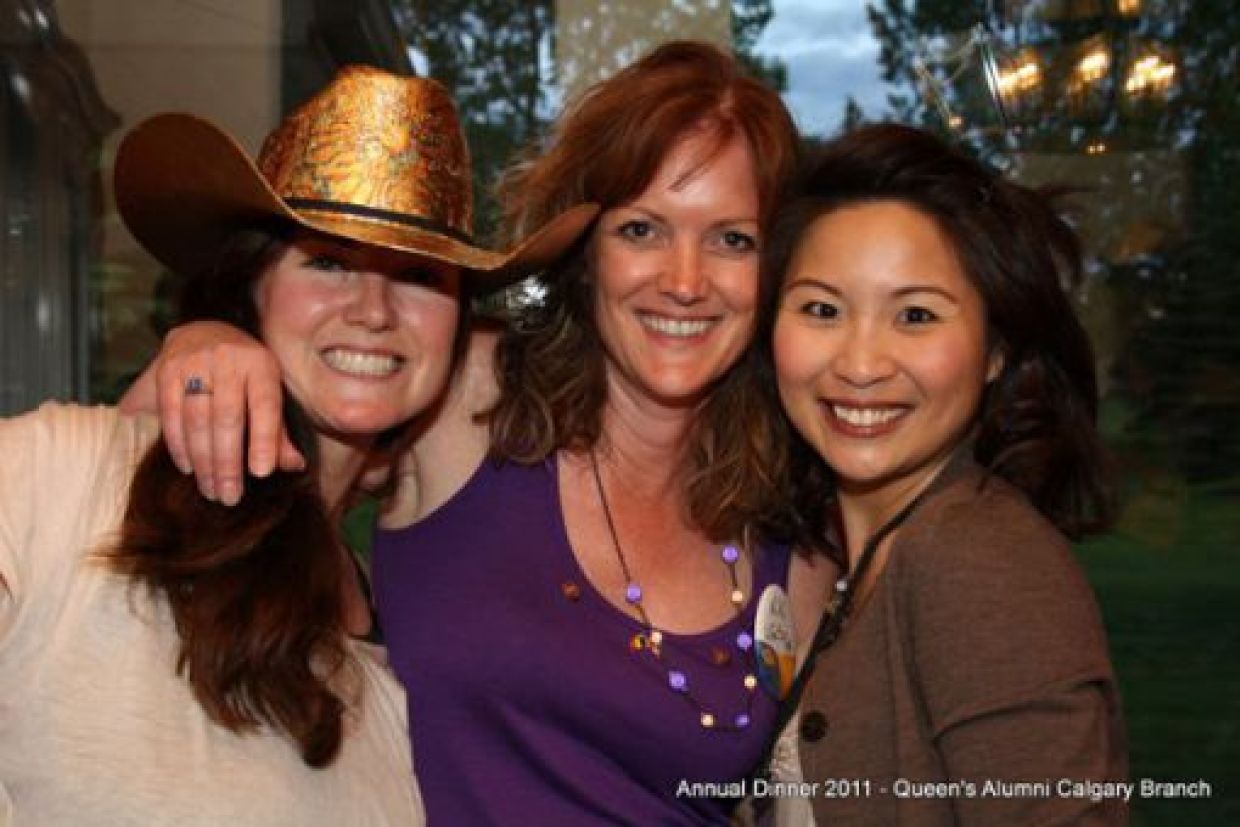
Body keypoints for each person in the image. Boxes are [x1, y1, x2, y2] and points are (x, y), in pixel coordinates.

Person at [121, 41, 828, 824]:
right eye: (642, 230)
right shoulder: (474, 392)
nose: (686, 280)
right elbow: (336, 347)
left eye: (733, 238)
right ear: (586, 251)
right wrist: (213, 339)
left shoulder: (796, 529)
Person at [0, 66, 592, 825]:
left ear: (457, 326)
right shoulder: (75, 473)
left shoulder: (392, 669)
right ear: (254, 287)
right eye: (329, 261)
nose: (373, 310)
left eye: (417, 275)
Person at [762, 123, 1128, 825]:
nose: (861, 363)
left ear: (995, 349)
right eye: (821, 309)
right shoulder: (860, 556)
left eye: (916, 314)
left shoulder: (976, 557)